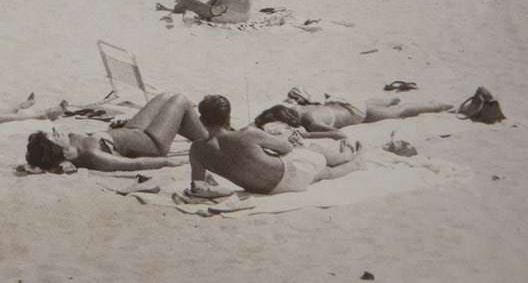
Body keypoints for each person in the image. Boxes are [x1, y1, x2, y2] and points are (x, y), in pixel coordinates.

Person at [189, 95, 362, 196]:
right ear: (227, 117)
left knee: (322, 173)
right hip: (290, 174)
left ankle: (352, 162)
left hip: (268, 190)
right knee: (315, 154)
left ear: (202, 119)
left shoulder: (196, 150)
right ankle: (350, 158)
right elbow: (287, 148)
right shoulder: (248, 134)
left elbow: (197, 185)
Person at [23, 92, 210, 172]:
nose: (57, 131)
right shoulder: (92, 155)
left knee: (165, 96)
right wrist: (169, 162)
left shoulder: (71, 141)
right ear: (61, 151)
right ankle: (212, 140)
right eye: (55, 136)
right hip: (152, 144)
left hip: (132, 130)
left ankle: (206, 131)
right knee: (180, 100)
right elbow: (136, 164)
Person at [253, 96, 453, 141]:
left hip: (357, 113)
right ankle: (389, 99)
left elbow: (338, 134)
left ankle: (439, 106)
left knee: (401, 112)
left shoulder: (312, 121)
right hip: (343, 100)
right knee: (388, 105)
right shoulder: (295, 108)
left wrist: (306, 136)